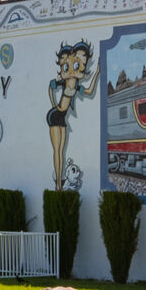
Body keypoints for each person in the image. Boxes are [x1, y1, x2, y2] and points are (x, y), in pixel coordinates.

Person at [45, 43, 94, 192]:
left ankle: (60, 182)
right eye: (66, 67)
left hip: (62, 118)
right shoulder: (63, 82)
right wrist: (53, 104)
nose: (71, 71)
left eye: (78, 66)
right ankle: (58, 184)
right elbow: (50, 86)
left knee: (61, 151)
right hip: (54, 116)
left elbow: (90, 90)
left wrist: (97, 73)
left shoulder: (77, 85)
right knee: (57, 151)